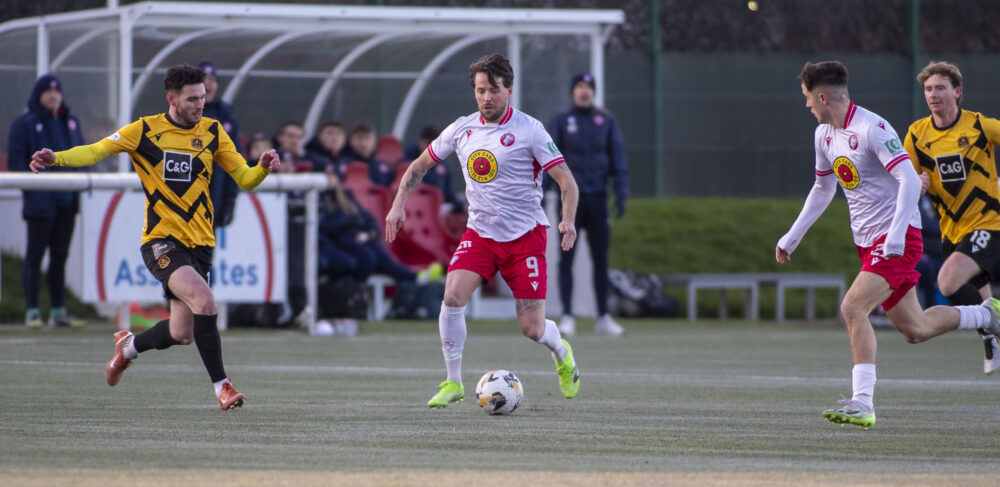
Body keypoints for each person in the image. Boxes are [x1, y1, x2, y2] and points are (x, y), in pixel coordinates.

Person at [29, 64, 280, 410]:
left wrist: (262, 168)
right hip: (161, 240)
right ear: (171, 99)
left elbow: (244, 178)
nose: (200, 104)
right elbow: (96, 150)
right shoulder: (145, 130)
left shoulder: (213, 132)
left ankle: (127, 348)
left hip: (201, 244)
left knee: (181, 333)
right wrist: (56, 158)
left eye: (202, 97)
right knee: (205, 301)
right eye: (192, 99)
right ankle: (222, 387)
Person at [775, 61, 1000, 429]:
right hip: (869, 243)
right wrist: (792, 235)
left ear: (822, 97)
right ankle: (987, 315)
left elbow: (908, 179)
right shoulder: (823, 135)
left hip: (897, 239)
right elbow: (823, 187)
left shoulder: (872, 128)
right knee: (916, 329)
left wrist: (895, 235)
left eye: (807, 98)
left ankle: (862, 403)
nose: (806, 105)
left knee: (852, 307)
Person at [386, 53, 582, 408]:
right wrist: (398, 204)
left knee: (533, 329)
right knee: (451, 296)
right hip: (480, 235)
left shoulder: (530, 130)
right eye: (480, 90)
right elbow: (420, 164)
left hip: (525, 238)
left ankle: (561, 351)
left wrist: (567, 219)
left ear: (509, 90)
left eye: (493, 90)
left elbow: (566, 181)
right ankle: (453, 382)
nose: (486, 98)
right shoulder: (462, 129)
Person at [904, 61, 1000, 375]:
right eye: (928, 89)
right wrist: (914, 185)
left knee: (947, 282)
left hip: (988, 224)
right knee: (979, 303)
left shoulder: (978, 125)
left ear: (957, 92)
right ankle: (992, 339)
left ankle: (992, 326)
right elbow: (901, 180)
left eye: (940, 88)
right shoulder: (917, 134)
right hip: (952, 232)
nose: (933, 94)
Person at [547, 72, 629, 337]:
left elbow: (617, 156)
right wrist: (541, 192)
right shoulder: (561, 120)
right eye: (580, 86)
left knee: (600, 257)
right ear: (573, 90)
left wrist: (621, 190)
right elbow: (548, 157)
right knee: (566, 258)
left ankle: (603, 316)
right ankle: (567, 315)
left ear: (594, 91)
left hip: (598, 198)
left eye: (589, 87)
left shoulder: (606, 120)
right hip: (569, 202)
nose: (584, 91)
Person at [7, 74, 87, 328]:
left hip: (67, 201)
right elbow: (16, 163)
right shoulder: (24, 124)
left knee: (60, 256)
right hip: (40, 204)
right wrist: (35, 189)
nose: (53, 96)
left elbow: (81, 156)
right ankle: (32, 311)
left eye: (57, 91)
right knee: (35, 256)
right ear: (39, 95)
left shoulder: (71, 122)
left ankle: (58, 311)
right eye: (48, 91)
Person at [198, 61, 241, 229]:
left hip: (213, 193)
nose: (207, 83)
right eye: (203, 79)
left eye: (212, 80)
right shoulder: (179, 112)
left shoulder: (225, 114)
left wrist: (230, 199)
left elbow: (234, 158)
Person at [345, 122, 392, 186]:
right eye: (360, 138)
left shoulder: (381, 166)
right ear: (351, 141)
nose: (364, 143)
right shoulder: (344, 165)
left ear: (374, 141)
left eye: (368, 138)